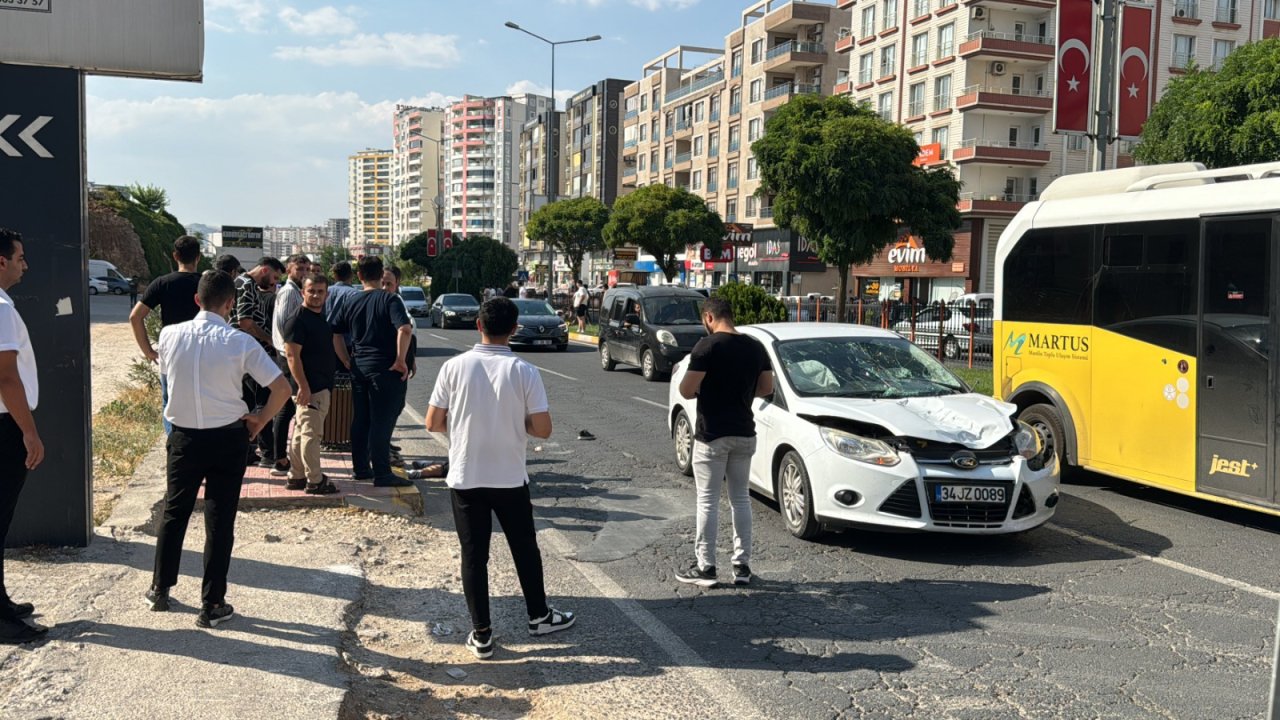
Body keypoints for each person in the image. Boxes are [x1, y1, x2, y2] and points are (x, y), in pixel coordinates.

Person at [426, 297, 574, 659]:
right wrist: (514, 423)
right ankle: (538, 615)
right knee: (524, 548)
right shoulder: (525, 371)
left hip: (465, 475)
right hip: (509, 476)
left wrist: (463, 425)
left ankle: (482, 634)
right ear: (514, 328)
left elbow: (433, 422)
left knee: (474, 556)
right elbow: (542, 429)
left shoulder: (454, 367)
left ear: (478, 325)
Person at [146, 270, 290, 628]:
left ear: (197, 300)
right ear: (230, 304)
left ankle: (160, 588)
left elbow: (168, 374)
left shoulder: (168, 335)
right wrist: (259, 420)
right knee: (219, 520)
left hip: (183, 437)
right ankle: (212, 603)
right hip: (227, 438)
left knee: (174, 511)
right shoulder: (240, 342)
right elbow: (281, 389)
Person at [675, 296, 773, 588]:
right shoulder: (755, 347)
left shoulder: (707, 346)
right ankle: (742, 567)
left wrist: (709, 389)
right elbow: (766, 387)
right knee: (740, 499)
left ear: (709, 317)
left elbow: (686, 389)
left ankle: (706, 567)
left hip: (713, 434)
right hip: (744, 432)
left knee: (707, 500)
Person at [0, 229, 47, 644]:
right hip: (4, 426)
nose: (25, 265)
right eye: (19, 257)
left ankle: (0, 602)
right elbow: (6, 376)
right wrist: (28, 432)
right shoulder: (1, 309)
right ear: (1, 261)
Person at [329, 256, 413, 488]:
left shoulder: (351, 301)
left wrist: (345, 359)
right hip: (385, 369)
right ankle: (383, 473)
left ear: (359, 276)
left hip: (359, 367)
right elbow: (404, 329)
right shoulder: (390, 300)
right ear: (380, 275)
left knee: (361, 419)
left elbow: (335, 333)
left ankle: (361, 469)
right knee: (382, 421)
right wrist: (400, 360)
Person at [131, 235, 204, 436]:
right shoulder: (205, 284)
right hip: (203, 351)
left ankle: (174, 446)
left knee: (170, 402)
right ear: (198, 257)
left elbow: (135, 317)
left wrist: (148, 351)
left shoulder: (162, 283)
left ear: (175, 256)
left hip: (171, 352)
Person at [284, 273, 339, 495]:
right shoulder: (298, 319)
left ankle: (296, 475)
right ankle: (315, 480)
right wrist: (304, 387)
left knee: (301, 432)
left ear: (326, 294)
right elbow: (292, 357)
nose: (316, 295)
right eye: (311, 291)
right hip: (311, 388)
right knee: (311, 435)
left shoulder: (319, 317)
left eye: (320, 291)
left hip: (318, 386)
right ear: (302, 292)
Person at [230, 257, 283, 467]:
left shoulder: (247, 284)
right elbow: (245, 322)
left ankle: (249, 451)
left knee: (251, 403)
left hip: (248, 352)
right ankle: (268, 453)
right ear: (264, 270)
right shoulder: (246, 285)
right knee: (262, 402)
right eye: (274, 277)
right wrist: (269, 339)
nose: (273, 283)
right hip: (249, 353)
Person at [269, 254, 312, 477]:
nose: (303, 272)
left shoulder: (294, 291)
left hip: (289, 355)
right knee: (287, 409)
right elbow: (287, 328)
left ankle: (282, 458)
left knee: (289, 408)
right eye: (299, 268)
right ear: (289, 269)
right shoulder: (288, 293)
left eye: (306, 268)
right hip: (288, 357)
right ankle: (279, 459)